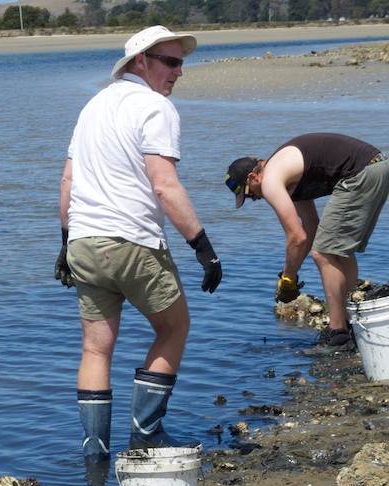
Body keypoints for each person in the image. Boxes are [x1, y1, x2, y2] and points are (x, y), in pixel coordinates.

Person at [55, 26, 222, 462]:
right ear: (140, 63)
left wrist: (64, 243)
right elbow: (165, 186)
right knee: (174, 328)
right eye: (170, 61)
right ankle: (146, 434)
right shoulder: (155, 107)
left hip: (84, 243)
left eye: (181, 62)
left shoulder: (92, 105)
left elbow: (68, 181)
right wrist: (203, 248)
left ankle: (95, 455)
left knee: (95, 348)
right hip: (132, 242)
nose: (178, 72)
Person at [225, 133, 389, 346]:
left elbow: (296, 237)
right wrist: (290, 274)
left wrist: (288, 278)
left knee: (323, 253)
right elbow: (309, 230)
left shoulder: (271, 180)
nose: (253, 199)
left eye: (248, 194)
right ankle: (350, 325)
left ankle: (338, 332)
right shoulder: (289, 177)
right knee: (337, 250)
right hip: (377, 167)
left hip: (361, 172)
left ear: (253, 178)